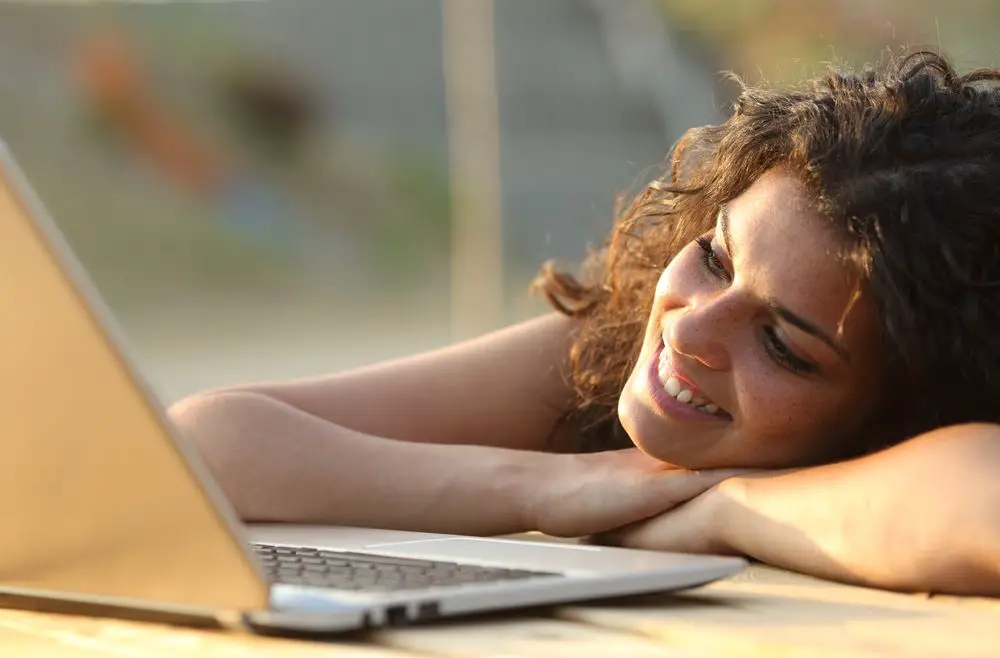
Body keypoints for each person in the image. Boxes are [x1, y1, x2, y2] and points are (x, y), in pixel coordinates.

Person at [168, 49, 1000, 597]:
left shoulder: (932, 450)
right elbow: (200, 444)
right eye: (715, 257)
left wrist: (729, 508)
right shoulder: (609, 352)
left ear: (908, 403)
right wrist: (548, 486)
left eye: (782, 344)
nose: (693, 329)